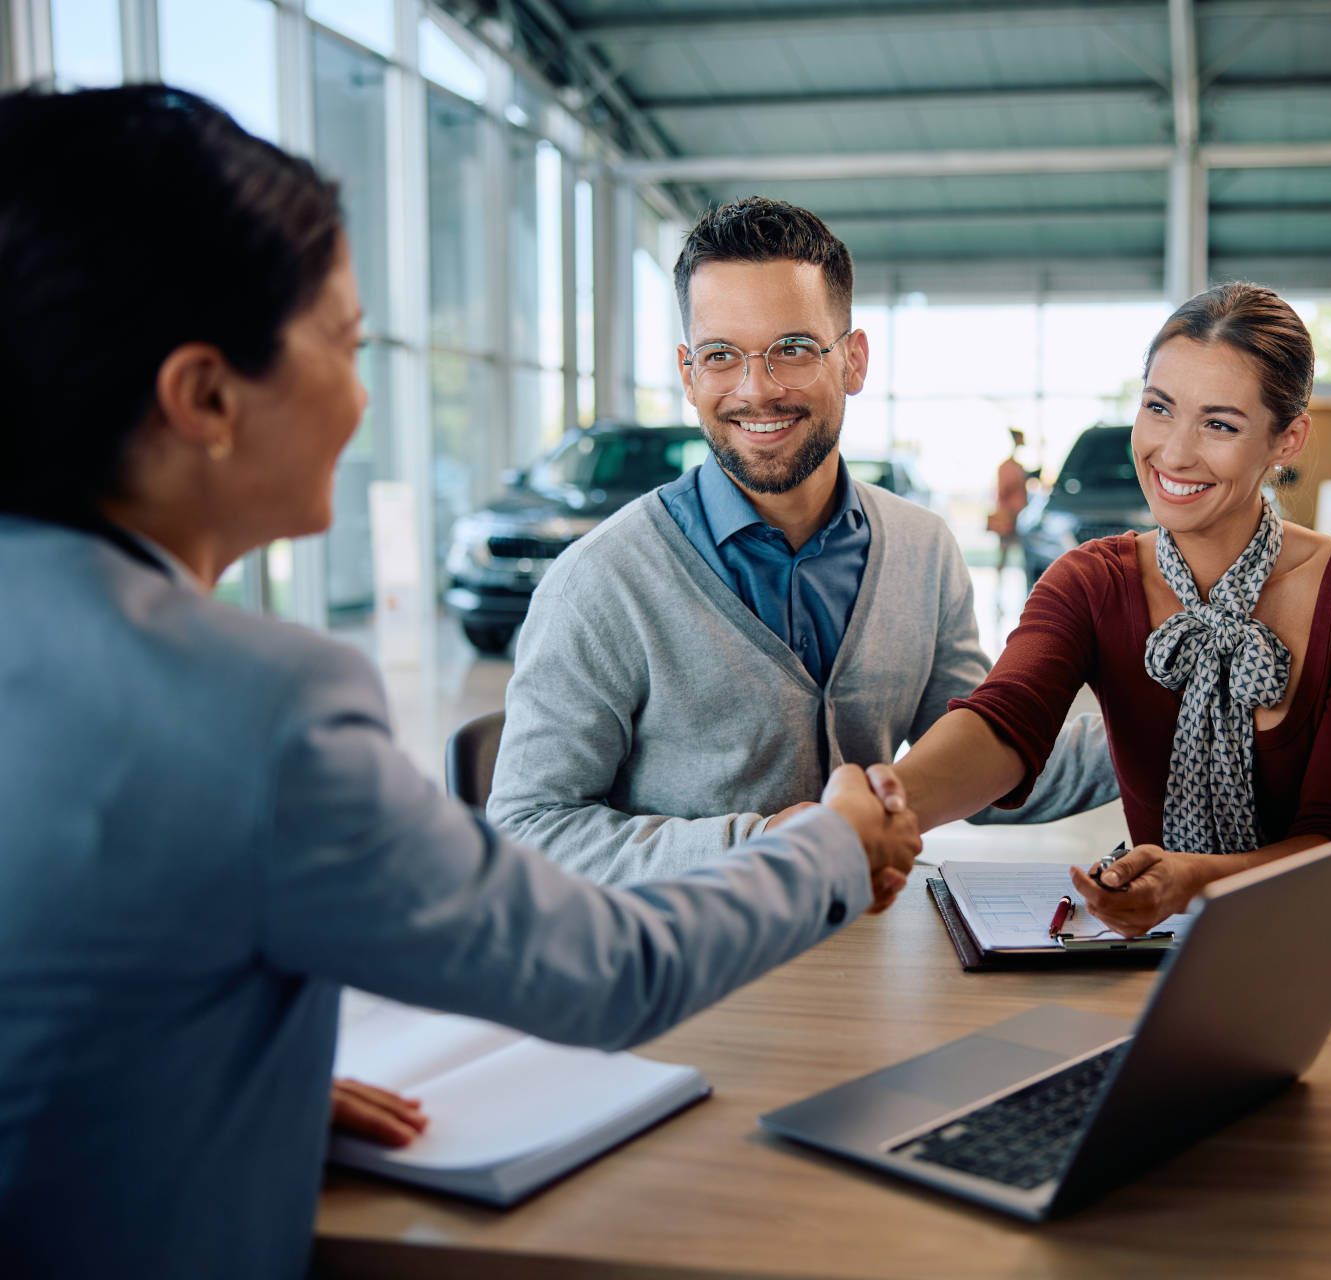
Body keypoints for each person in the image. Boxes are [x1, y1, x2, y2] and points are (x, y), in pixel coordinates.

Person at [0, 86, 919, 1280]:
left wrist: (195, 1065)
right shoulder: (259, 706)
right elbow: (603, 973)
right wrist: (833, 847)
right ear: (207, 398)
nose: (366, 396)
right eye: (345, 343)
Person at [488, 197, 1115, 886]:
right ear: (688, 372)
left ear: (853, 360)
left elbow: (985, 762)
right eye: (721, 355)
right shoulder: (601, 582)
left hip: (864, 958)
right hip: (690, 972)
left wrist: (1180, 721)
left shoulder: (922, 553)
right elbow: (527, 830)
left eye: (792, 349)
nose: (757, 390)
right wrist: (766, 846)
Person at [887, 283, 1331, 935]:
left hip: (1324, 941)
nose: (1173, 452)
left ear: (1288, 439)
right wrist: (879, 812)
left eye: (1219, 424)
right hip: (1158, 952)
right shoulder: (1090, 581)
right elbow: (1004, 724)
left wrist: (1193, 881)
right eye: (1159, 408)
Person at [988, 426, 1031, 578]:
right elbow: (1003, 491)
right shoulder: (1007, 467)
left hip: (1020, 516)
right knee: (1004, 552)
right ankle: (998, 586)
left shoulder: (1017, 466)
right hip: (1009, 516)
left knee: (1026, 553)